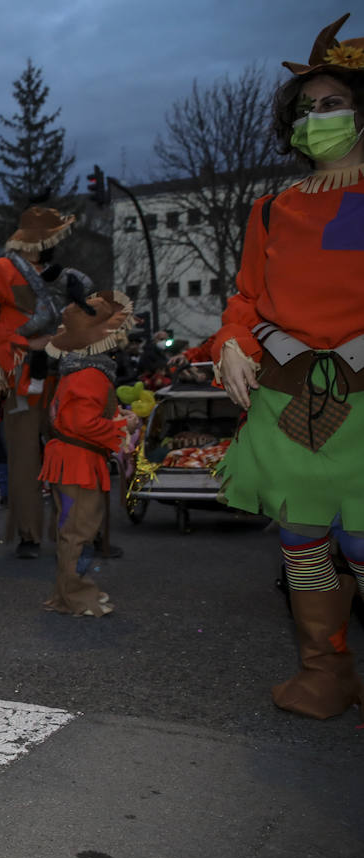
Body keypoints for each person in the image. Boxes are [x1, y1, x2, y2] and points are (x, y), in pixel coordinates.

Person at [213, 14, 364, 719]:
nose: (317, 119)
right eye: (306, 109)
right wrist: (231, 343)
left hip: (361, 399)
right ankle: (324, 673)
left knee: (361, 540)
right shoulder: (270, 211)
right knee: (303, 542)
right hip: (289, 396)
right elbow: (245, 298)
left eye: (332, 104)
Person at [0, 206, 93, 559]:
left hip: (63, 370)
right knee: (24, 457)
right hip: (21, 372)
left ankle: (75, 530)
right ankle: (29, 533)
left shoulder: (62, 275)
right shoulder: (0, 270)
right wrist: (28, 342)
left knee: (71, 449)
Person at [39, 291, 136, 617]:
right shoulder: (91, 374)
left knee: (70, 531)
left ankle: (64, 594)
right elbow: (84, 422)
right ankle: (76, 596)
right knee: (78, 532)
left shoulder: (78, 371)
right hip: (77, 464)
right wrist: (122, 426)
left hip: (70, 462)